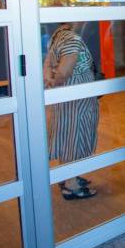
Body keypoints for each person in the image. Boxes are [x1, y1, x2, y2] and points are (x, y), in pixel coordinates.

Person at [44, 23, 100, 200]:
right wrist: (56, 80)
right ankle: (71, 186)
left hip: (67, 96)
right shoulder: (71, 38)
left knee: (67, 133)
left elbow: (47, 65)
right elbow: (64, 71)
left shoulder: (57, 36)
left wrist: (51, 82)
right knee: (75, 135)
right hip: (76, 97)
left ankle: (68, 175)